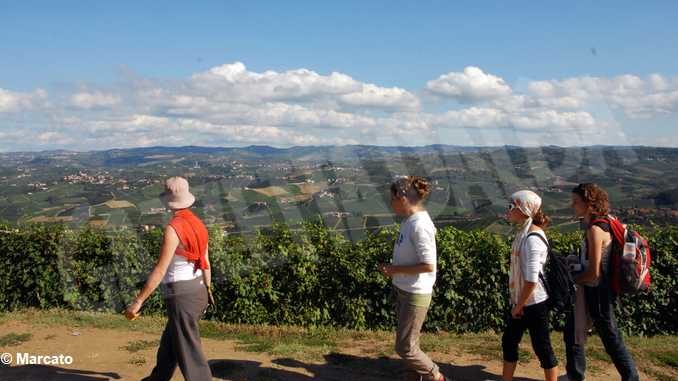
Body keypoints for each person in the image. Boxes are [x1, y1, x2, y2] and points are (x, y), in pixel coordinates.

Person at [124, 176, 213, 381]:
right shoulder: (199, 224)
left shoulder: (173, 229)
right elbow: (206, 261)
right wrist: (208, 290)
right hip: (198, 290)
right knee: (172, 341)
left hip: (181, 296)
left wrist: (138, 301)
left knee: (189, 351)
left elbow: (160, 270)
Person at [564, 183, 639, 381]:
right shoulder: (606, 222)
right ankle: (574, 374)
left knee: (610, 337)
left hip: (596, 292)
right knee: (573, 330)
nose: (573, 205)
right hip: (600, 290)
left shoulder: (595, 230)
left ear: (589, 204)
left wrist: (574, 279)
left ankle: (631, 377)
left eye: (576, 202)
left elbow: (593, 272)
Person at [378, 176, 449, 381]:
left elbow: (428, 265)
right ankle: (414, 374)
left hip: (415, 293)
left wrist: (394, 269)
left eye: (392, 199)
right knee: (410, 342)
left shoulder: (420, 225)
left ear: (402, 198)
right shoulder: (409, 221)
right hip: (405, 289)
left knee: (405, 347)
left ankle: (434, 375)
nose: (390, 203)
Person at [502, 190, 559, 381]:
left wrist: (519, 306)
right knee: (509, 341)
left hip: (533, 303)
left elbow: (532, 280)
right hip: (523, 300)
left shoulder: (532, 239)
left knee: (542, 347)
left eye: (512, 207)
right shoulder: (524, 234)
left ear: (524, 210)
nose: (508, 211)